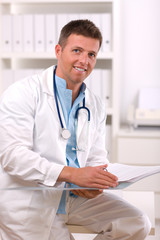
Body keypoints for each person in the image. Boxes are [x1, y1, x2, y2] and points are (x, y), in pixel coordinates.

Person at [0, 19, 151, 240]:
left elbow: (96, 156)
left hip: (76, 196)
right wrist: (73, 174)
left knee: (135, 222)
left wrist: (96, 184)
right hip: (33, 199)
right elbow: (13, 156)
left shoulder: (94, 103)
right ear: (58, 51)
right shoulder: (22, 93)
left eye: (91, 54)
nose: (84, 60)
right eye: (77, 50)